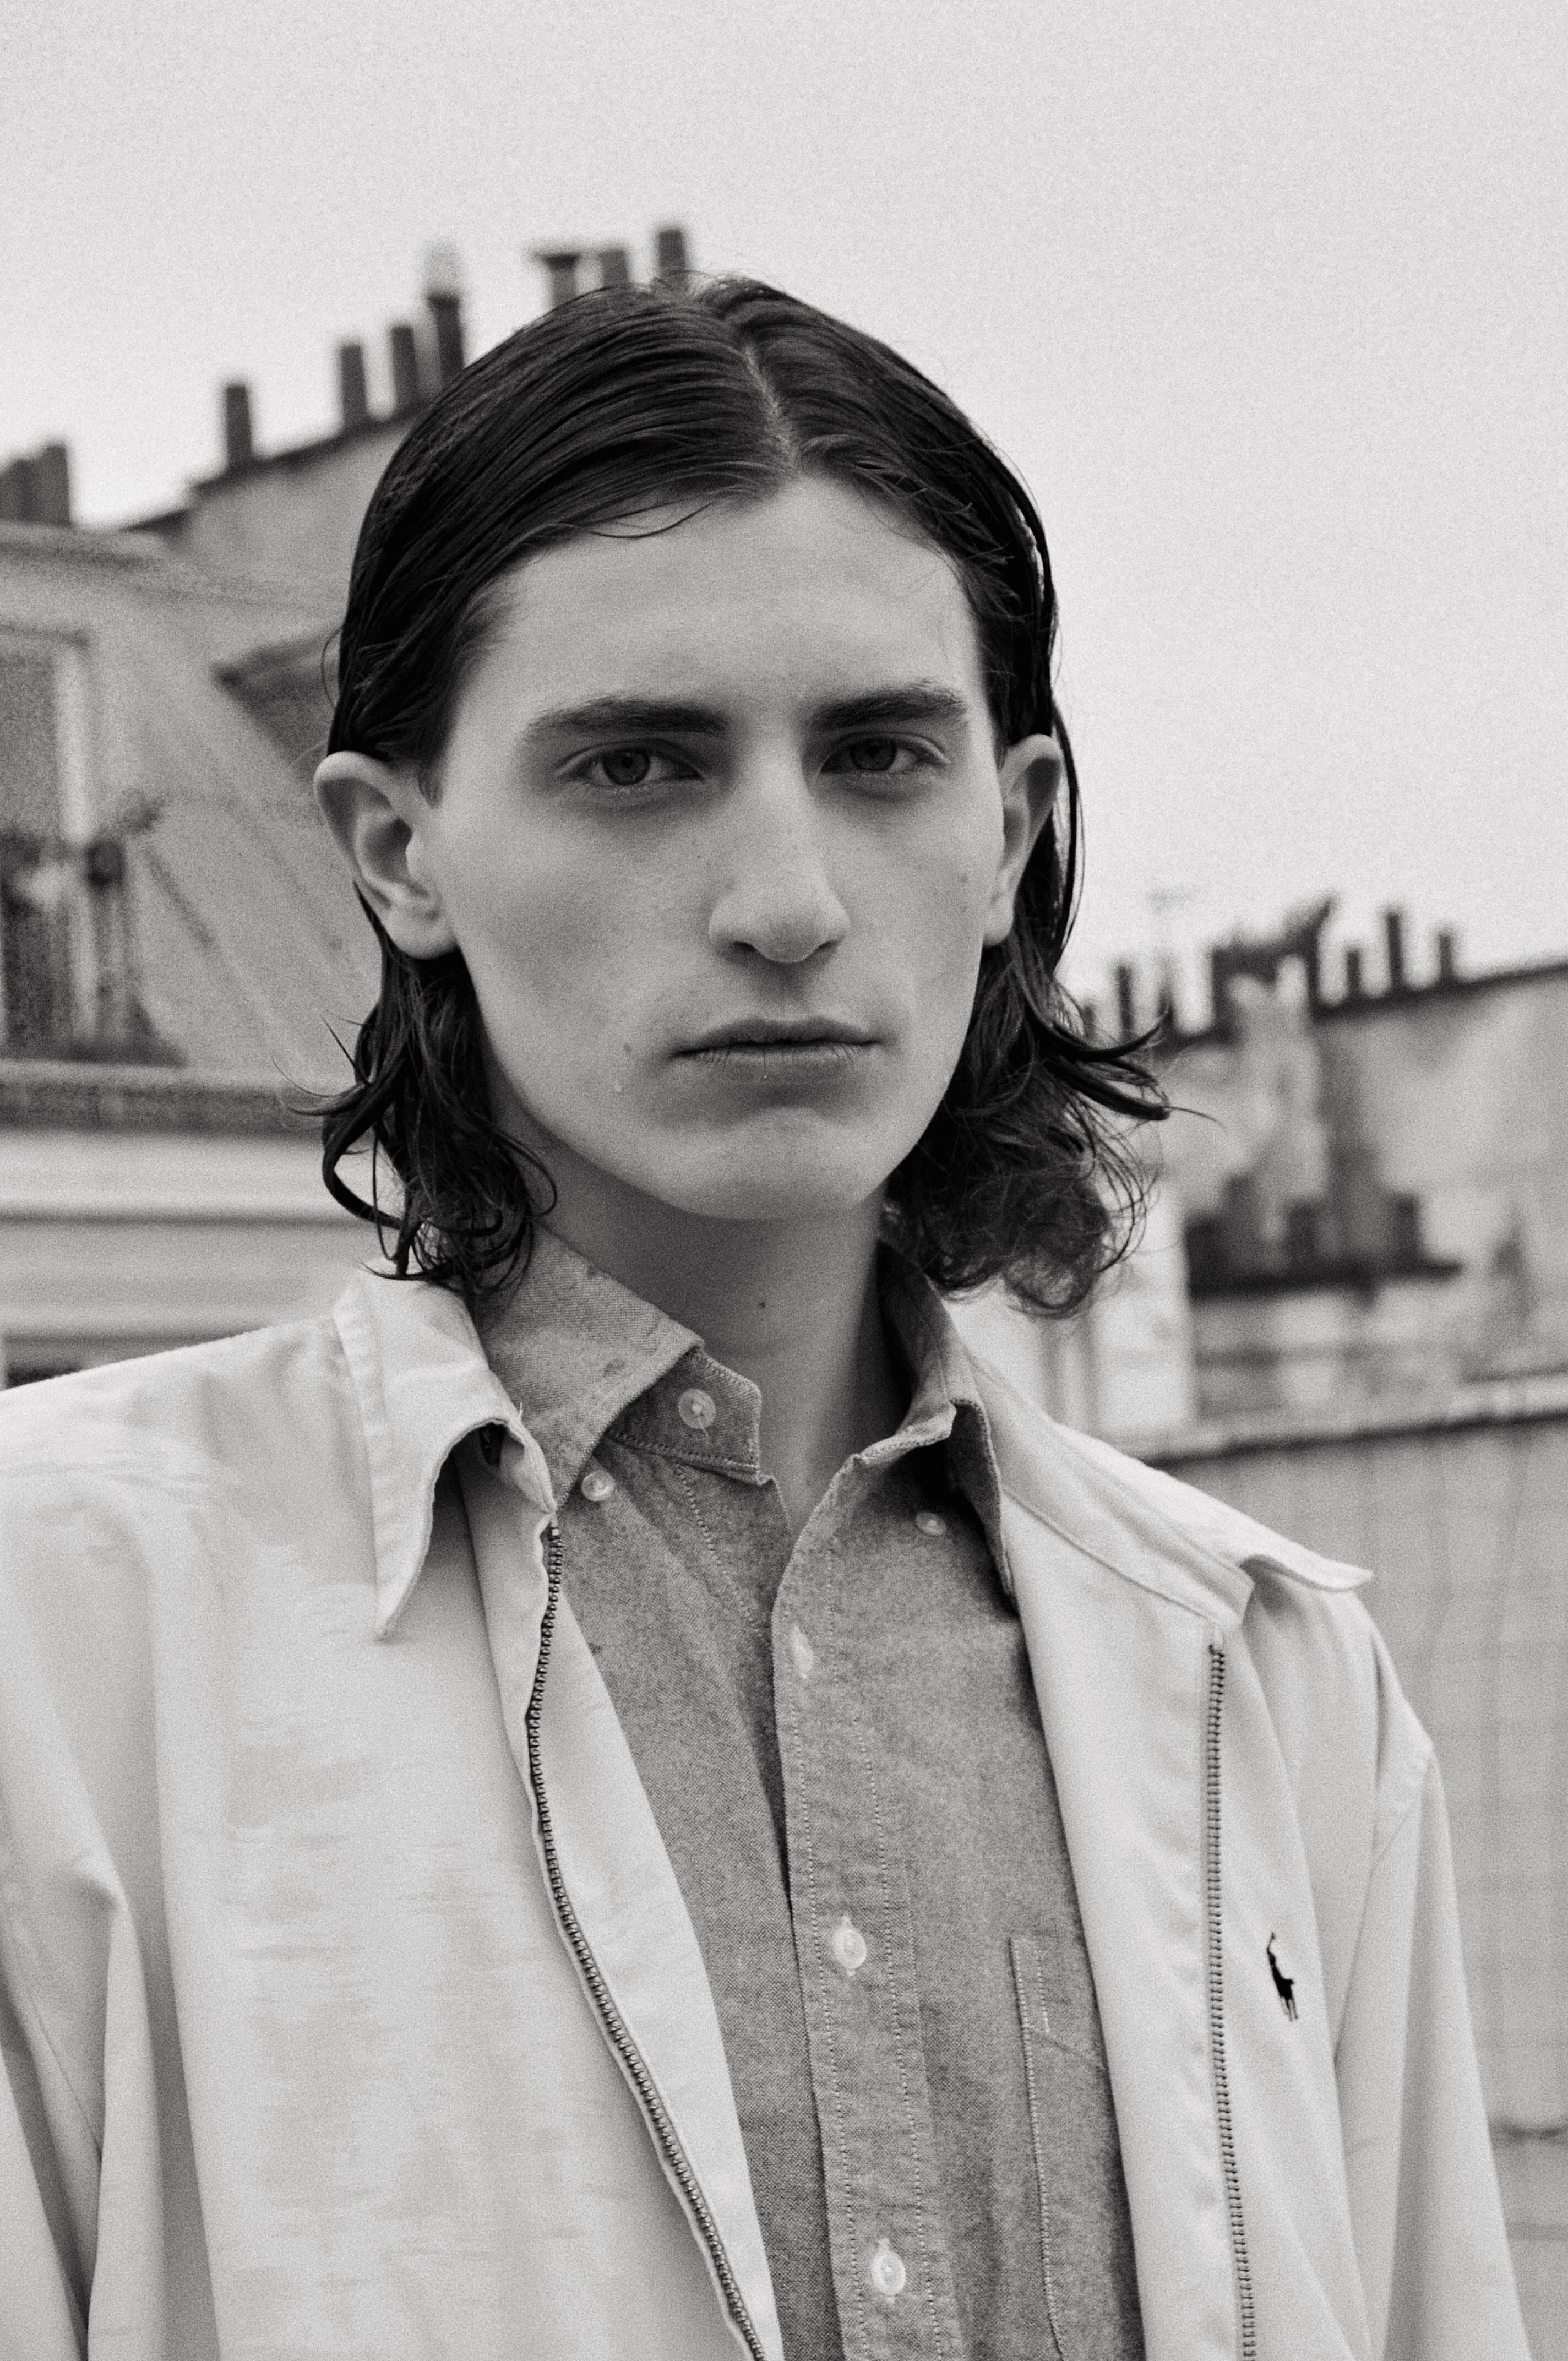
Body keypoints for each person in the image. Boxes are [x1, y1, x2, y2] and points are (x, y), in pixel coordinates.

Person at [0, 279, 1527, 2361]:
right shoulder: (60, 1622)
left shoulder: (1269, 1678)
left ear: (1013, 832)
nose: (788, 898)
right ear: (398, 852)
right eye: (638, 763)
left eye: (882, 755)